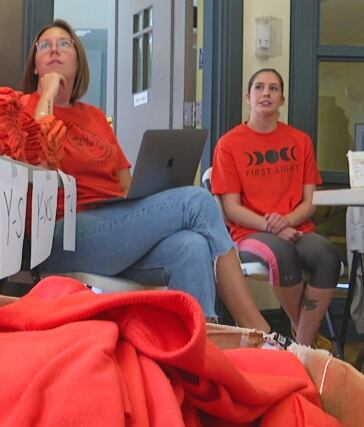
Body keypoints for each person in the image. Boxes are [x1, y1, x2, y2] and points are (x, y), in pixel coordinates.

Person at [20, 19, 271, 332]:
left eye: (64, 43)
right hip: (63, 235)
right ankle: (256, 328)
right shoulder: (24, 107)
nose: (55, 49)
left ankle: (198, 349)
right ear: (34, 65)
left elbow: (125, 184)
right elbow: (37, 152)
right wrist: (46, 95)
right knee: (198, 199)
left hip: (113, 228)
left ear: (78, 58)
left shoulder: (95, 117)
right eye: (45, 45)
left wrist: (149, 201)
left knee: (190, 245)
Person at [212, 68, 341, 346]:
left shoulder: (301, 141)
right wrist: (272, 226)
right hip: (249, 234)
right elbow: (232, 209)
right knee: (282, 254)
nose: (266, 93)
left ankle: (302, 346)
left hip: (297, 227)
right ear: (248, 97)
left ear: (282, 99)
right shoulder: (229, 144)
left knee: (328, 256)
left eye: (273, 88)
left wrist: (286, 222)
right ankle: (306, 338)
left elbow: (309, 203)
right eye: (259, 87)